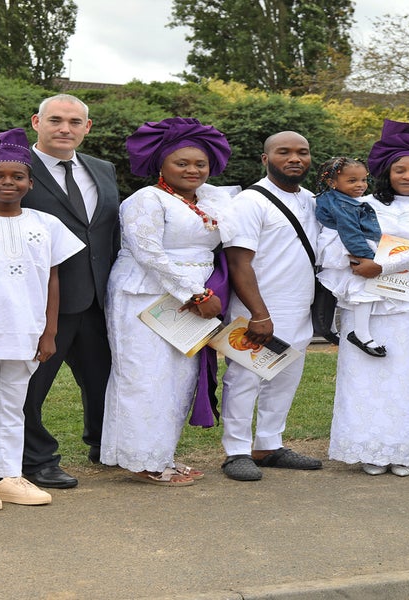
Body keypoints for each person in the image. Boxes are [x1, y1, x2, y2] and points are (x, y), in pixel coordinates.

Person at [0, 93, 120, 489]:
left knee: (104, 379)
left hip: (99, 297)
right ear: (37, 122)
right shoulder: (8, 168)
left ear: (87, 127)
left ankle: (105, 444)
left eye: (74, 122)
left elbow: (107, 232)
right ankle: (35, 460)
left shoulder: (103, 169)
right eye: (55, 120)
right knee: (29, 387)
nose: (64, 129)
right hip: (38, 302)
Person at [0, 128, 85, 510]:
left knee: (13, 403)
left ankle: (7, 475)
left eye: (17, 176)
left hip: (26, 329)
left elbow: (52, 279)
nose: (7, 182)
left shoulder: (46, 224)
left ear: (30, 183)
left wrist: (49, 331)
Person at [99, 118, 231, 486]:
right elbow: (149, 254)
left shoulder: (210, 200)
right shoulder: (146, 199)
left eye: (200, 164)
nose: (192, 170)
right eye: (182, 163)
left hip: (191, 300)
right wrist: (196, 294)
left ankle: (163, 453)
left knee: (179, 378)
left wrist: (204, 292)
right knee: (144, 376)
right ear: (161, 164)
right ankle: (143, 459)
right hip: (145, 297)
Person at [327, 120, 409, 477]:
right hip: (366, 301)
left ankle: (402, 452)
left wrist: (382, 266)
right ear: (387, 171)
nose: (407, 176)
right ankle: (367, 449)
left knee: (407, 373)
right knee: (363, 374)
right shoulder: (363, 202)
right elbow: (338, 236)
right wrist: (356, 260)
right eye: (400, 169)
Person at [219, 131, 324, 481]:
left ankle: (268, 445)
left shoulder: (312, 200)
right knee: (245, 379)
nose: (295, 158)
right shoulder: (250, 201)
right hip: (259, 308)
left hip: (300, 306)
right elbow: (238, 262)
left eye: (302, 152)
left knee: (285, 379)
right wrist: (259, 314)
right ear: (266, 159)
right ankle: (236, 450)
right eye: (284, 152)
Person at [314, 156, 385, 356]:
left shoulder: (334, 198)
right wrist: (367, 256)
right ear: (332, 182)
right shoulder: (343, 205)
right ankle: (361, 333)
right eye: (352, 181)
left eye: (363, 179)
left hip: (340, 243)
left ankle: (331, 326)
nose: (360, 185)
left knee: (343, 285)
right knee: (362, 288)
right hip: (346, 244)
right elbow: (350, 231)